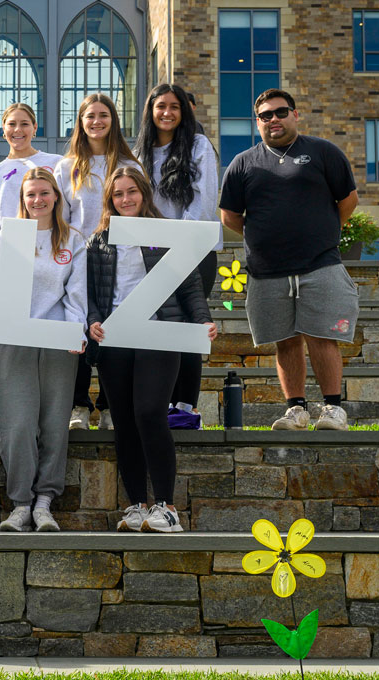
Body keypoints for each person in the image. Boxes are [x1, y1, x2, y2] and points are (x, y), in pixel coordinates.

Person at [219, 89, 359, 431]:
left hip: (319, 264)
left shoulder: (324, 152)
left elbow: (349, 200)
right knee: (286, 340)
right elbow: (230, 216)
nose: (274, 120)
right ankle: (296, 409)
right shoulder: (243, 163)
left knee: (322, 336)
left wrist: (323, 232)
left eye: (281, 112)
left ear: (295, 115)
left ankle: (332, 409)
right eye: (266, 115)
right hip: (267, 271)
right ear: (258, 123)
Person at [87, 167, 217, 533]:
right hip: (115, 338)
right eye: (118, 194)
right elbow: (93, 295)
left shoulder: (164, 236)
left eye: (132, 192)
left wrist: (203, 320)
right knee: (124, 423)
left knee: (148, 413)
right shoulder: (99, 241)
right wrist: (94, 321)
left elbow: (190, 286)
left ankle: (167, 507)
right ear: (109, 200)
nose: (125, 199)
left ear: (144, 194)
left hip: (160, 333)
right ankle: (136, 506)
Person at [0, 169, 86, 533]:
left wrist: (75, 330)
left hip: (57, 341)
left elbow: (77, 294)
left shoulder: (73, 240)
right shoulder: (6, 238)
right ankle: (20, 504)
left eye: (44, 193)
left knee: (54, 423)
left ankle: (44, 503)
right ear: (22, 200)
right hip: (15, 339)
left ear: (56, 196)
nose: (37, 200)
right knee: (18, 425)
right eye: (30, 195)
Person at [134, 84, 220, 430]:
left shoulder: (198, 146)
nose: (167, 113)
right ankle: (163, 404)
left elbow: (203, 202)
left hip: (193, 252)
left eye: (174, 106)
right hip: (152, 253)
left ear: (184, 112)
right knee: (161, 328)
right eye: (160, 106)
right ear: (150, 112)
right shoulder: (138, 152)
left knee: (187, 327)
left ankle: (185, 409)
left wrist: (175, 243)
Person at [54, 93, 142, 431]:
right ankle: (79, 405)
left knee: (109, 330)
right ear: (81, 121)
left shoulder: (130, 166)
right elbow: (60, 217)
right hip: (77, 259)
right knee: (78, 329)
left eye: (103, 115)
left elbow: (138, 209)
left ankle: (107, 406)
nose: (96, 121)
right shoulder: (67, 167)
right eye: (90, 116)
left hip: (116, 259)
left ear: (113, 120)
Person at [0, 103, 62, 271]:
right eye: (12, 124)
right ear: (4, 129)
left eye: (25, 124)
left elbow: (67, 212)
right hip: (8, 259)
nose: (18, 130)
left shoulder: (57, 163)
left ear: (34, 128)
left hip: (51, 255)